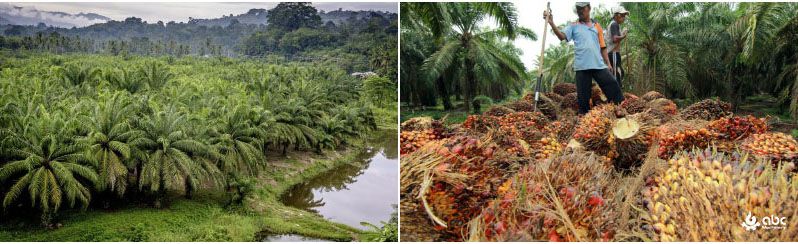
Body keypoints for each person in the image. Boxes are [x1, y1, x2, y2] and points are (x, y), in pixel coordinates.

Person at [544, 2, 624, 115]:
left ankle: (620, 109)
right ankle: (584, 119)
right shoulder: (573, 25)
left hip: (598, 65)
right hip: (582, 67)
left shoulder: (597, 26)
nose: (580, 11)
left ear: (589, 8)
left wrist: (608, 63)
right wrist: (551, 23)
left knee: (612, 84)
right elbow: (562, 36)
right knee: (583, 97)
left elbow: (603, 47)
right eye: (578, 9)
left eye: (582, 8)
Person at [606, 6, 629, 89]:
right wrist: (623, 35)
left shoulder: (616, 25)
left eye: (624, 16)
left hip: (615, 54)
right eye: (622, 15)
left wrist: (622, 34)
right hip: (614, 54)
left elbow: (615, 38)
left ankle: (617, 95)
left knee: (620, 73)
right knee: (616, 76)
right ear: (616, 15)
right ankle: (615, 98)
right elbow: (615, 39)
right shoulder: (614, 24)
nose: (624, 18)